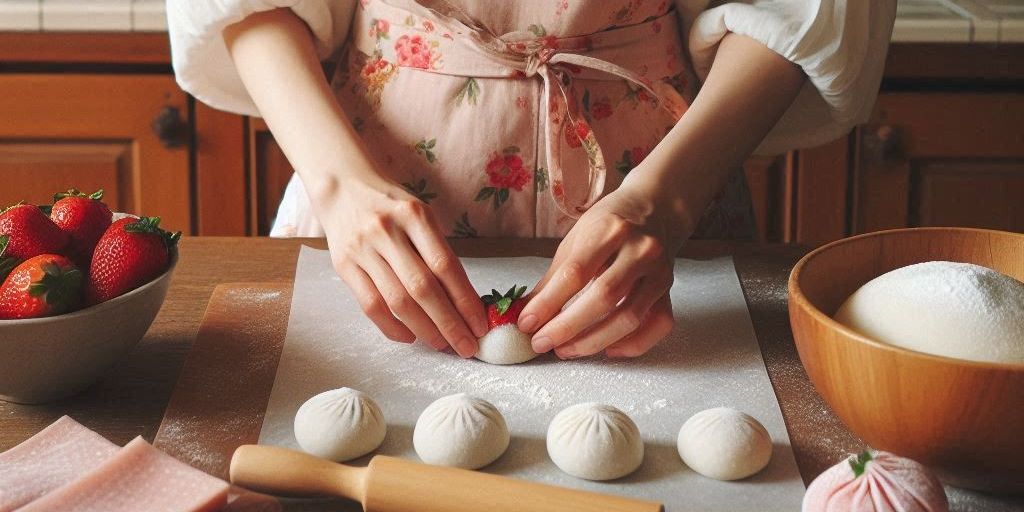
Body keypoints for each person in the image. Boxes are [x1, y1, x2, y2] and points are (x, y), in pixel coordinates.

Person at [168, 0, 895, 359]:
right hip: (363, 173)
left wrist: (664, 201)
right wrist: (337, 186)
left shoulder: (666, 204)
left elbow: (802, 9)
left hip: (666, 188)